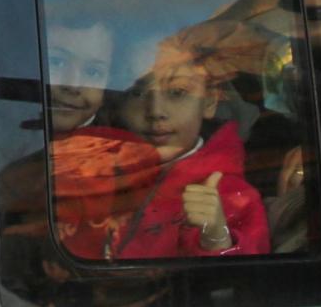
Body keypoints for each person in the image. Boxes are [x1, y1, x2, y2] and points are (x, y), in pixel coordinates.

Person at [111, 32, 270, 258]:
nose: (156, 111)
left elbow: (247, 281)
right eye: (137, 92)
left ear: (209, 102)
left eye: (177, 92)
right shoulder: (97, 172)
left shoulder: (232, 194)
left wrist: (216, 235)